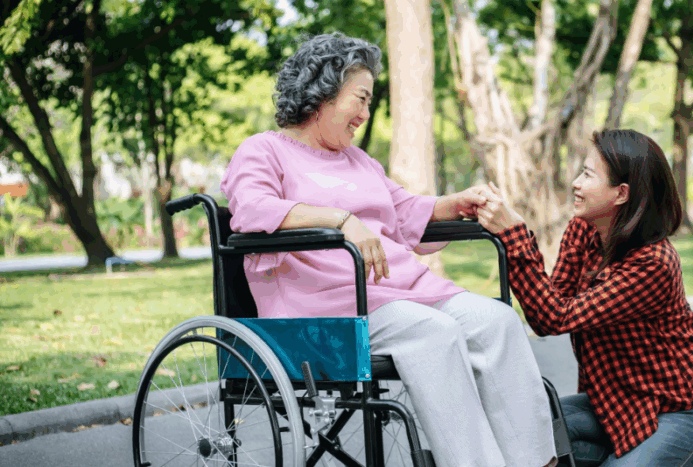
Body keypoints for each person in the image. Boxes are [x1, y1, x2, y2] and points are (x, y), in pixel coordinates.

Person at [220, 32, 558, 467]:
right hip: (327, 307)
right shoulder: (263, 150)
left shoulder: (359, 161)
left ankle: (536, 462)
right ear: (322, 93)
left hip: (399, 293)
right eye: (358, 99)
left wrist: (451, 205)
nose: (364, 113)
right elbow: (251, 208)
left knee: (496, 320)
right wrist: (341, 220)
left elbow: (402, 211)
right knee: (433, 333)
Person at [474, 129, 693, 467]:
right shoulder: (583, 229)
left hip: (687, 408)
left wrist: (513, 236)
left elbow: (558, 316)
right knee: (522, 431)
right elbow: (544, 316)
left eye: (588, 174)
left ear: (621, 193)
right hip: (619, 403)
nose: (576, 183)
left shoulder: (652, 265)